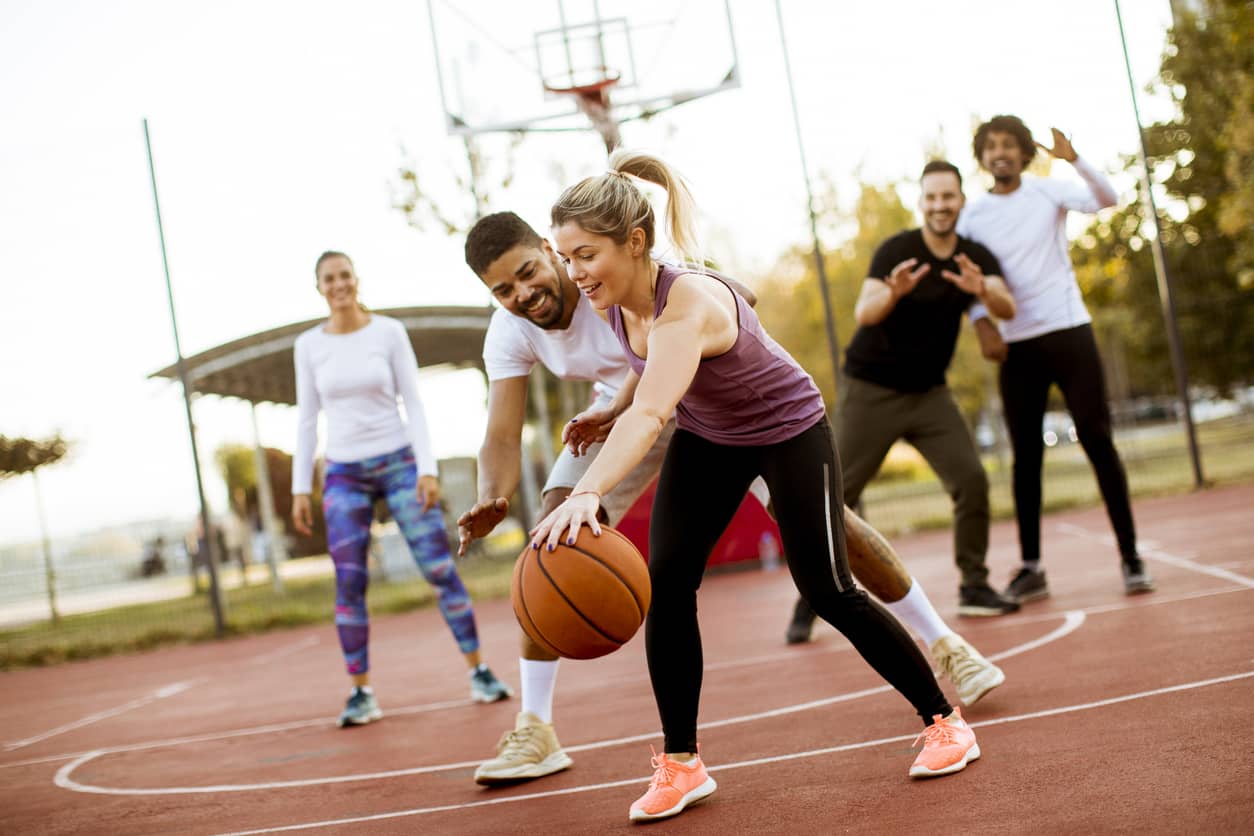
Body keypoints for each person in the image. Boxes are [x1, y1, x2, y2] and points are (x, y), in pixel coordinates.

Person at [459, 212, 1004, 787]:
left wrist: (715, 302)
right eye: (503, 290)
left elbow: (723, 302)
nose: (523, 293)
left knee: (829, 549)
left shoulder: (620, 270)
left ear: (550, 251)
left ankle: (944, 644)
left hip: (725, 408)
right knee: (555, 541)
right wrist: (494, 497)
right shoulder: (523, 324)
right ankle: (543, 728)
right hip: (627, 415)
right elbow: (503, 432)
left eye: (528, 273)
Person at [785, 161, 1020, 644]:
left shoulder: (973, 257)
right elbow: (864, 311)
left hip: (930, 395)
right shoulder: (898, 250)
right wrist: (892, 294)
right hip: (872, 390)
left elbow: (1006, 305)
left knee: (972, 480)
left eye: (948, 197)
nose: (940, 206)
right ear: (922, 202)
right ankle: (811, 598)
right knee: (834, 496)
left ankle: (974, 583)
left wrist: (981, 291)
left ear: (960, 201)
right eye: (932, 198)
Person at [291, 250, 512, 729]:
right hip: (343, 472)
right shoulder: (308, 345)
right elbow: (307, 416)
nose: (339, 285)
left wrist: (426, 471)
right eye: (329, 279)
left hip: (398, 463)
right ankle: (361, 693)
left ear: (356, 278)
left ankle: (480, 673)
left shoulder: (388, 332)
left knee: (439, 568)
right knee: (349, 582)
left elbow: (413, 401)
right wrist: (298, 489)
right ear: (319, 287)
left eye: (345, 275)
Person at [958, 116, 1155, 600]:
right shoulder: (972, 217)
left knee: (1097, 438)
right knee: (1025, 457)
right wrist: (981, 322)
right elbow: (962, 278)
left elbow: (1108, 198)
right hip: (1017, 345)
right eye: (991, 146)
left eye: (1009, 145)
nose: (1000, 152)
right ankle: (1032, 567)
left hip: (1069, 331)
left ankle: (1130, 555)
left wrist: (1074, 159)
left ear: (1025, 154)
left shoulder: (1048, 191)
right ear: (982, 158)